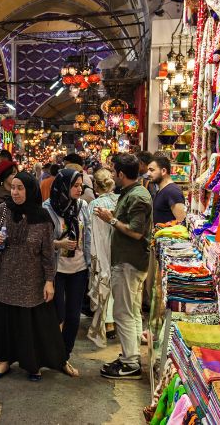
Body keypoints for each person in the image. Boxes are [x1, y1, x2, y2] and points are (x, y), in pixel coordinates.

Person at [0, 172, 68, 382]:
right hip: (3, 277)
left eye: (20, 188)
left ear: (30, 190)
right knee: (4, 320)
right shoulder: (4, 210)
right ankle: (4, 360)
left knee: (30, 325)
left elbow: (48, 254)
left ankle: (32, 363)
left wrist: (49, 281)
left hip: (32, 280)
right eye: (13, 187)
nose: (15, 192)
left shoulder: (42, 218)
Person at [93, 154, 152, 380]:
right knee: (132, 311)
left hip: (129, 262)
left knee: (123, 313)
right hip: (129, 261)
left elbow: (136, 232)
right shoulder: (132, 193)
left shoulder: (138, 196)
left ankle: (130, 364)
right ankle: (132, 356)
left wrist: (111, 220)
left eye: (114, 171)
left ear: (120, 173)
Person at [43, 168, 90, 377]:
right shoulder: (47, 208)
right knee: (57, 315)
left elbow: (87, 236)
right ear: (63, 186)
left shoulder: (82, 206)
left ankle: (64, 356)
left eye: (81, 185)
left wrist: (92, 264)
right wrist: (59, 243)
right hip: (56, 269)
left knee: (73, 316)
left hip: (79, 267)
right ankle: (51, 353)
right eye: (75, 185)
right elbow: (41, 242)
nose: (79, 189)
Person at [86, 168, 119, 348]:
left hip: (100, 248)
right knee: (113, 283)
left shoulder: (94, 205)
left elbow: (90, 231)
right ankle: (113, 323)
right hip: (117, 247)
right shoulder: (119, 200)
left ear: (96, 185)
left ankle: (107, 323)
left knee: (102, 281)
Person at [149, 155, 187, 225]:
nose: (148, 173)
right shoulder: (162, 190)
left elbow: (181, 224)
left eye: (152, 170)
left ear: (163, 171)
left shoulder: (172, 191)